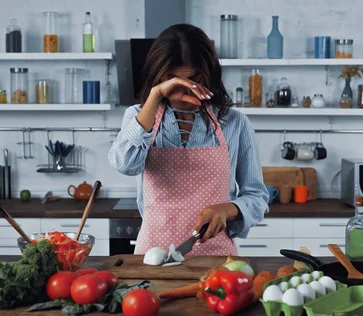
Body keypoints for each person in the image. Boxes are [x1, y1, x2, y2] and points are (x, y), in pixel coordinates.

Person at [108, 24, 269, 256]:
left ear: (210, 75)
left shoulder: (234, 123)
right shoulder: (138, 117)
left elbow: (257, 197)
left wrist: (229, 209)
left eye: (193, 79)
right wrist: (155, 96)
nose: (183, 89)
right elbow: (125, 164)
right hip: (153, 257)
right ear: (158, 76)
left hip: (216, 260)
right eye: (172, 79)